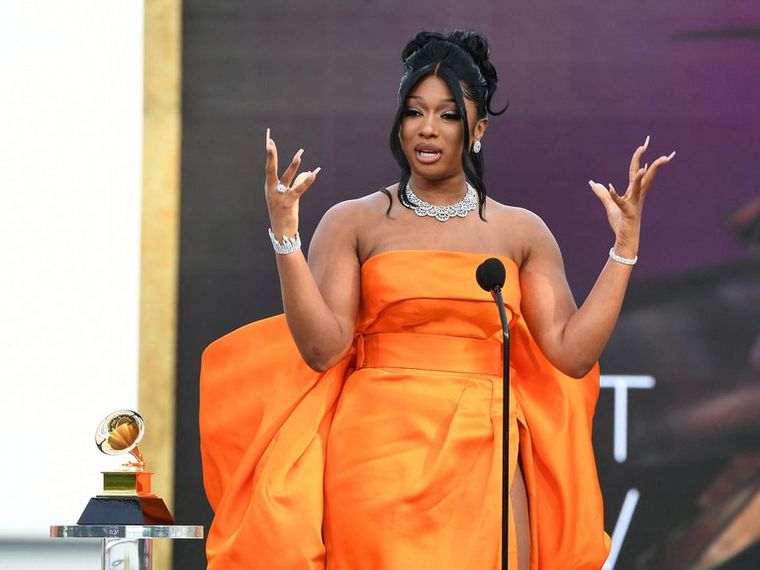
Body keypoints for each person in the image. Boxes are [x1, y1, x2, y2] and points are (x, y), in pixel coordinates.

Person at [199, 29, 675, 570]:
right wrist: (286, 236)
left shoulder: (521, 232)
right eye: (414, 111)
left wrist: (624, 250)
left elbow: (572, 353)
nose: (427, 128)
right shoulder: (352, 222)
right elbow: (321, 349)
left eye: (448, 114)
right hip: (376, 454)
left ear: (478, 129)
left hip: (486, 449)